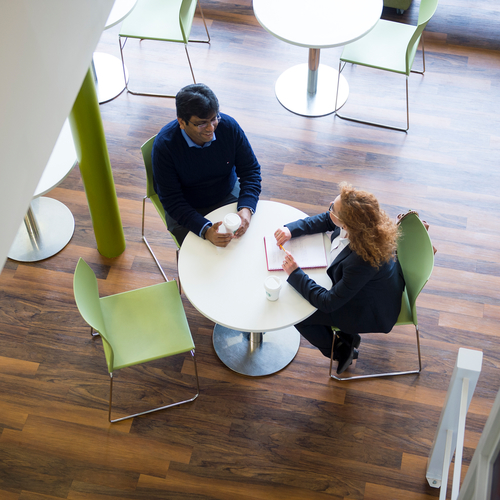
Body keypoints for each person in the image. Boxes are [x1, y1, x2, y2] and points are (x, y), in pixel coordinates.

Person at [274, 182, 405, 374]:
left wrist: (295, 273)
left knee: (300, 315)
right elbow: (328, 220)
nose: (329, 207)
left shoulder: (361, 261)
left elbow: (328, 302)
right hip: (364, 289)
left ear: (346, 224)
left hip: (370, 309)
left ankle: (340, 350)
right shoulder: (365, 224)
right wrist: (291, 230)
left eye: (333, 208)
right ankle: (345, 336)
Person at [152, 83, 262, 247]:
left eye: (214, 118)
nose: (211, 128)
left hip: (227, 193)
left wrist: (246, 207)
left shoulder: (228, 127)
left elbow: (251, 170)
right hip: (186, 208)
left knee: (249, 242)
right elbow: (172, 201)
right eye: (201, 123)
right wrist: (204, 229)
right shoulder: (165, 147)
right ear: (182, 122)